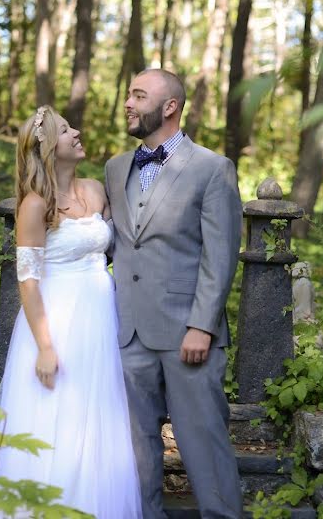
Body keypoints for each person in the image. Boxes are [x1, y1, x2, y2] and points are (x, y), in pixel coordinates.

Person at [0, 106, 142, 518]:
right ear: (47, 148)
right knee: (55, 423)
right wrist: (45, 346)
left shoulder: (95, 189)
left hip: (100, 316)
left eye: (73, 126)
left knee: (99, 421)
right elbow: (28, 280)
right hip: (57, 319)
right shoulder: (35, 206)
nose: (76, 133)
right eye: (66, 130)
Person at [104, 68, 244, 518]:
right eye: (128, 93)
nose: (127, 102)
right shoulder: (114, 168)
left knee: (203, 440)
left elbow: (219, 255)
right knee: (136, 450)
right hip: (128, 333)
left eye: (138, 95)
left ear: (169, 107)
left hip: (188, 332)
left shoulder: (212, 168)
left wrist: (202, 325)